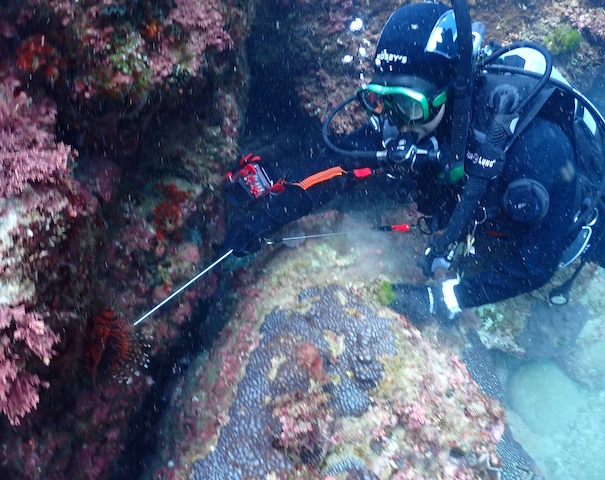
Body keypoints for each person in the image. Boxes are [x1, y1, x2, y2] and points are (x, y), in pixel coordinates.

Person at [222, 1, 605, 325]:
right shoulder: (403, 117)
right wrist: (266, 218)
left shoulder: (538, 148)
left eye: (407, 104)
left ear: (451, 94)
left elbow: (536, 266)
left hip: (570, 226)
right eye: (381, 100)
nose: (395, 122)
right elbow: (337, 167)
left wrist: (441, 301)